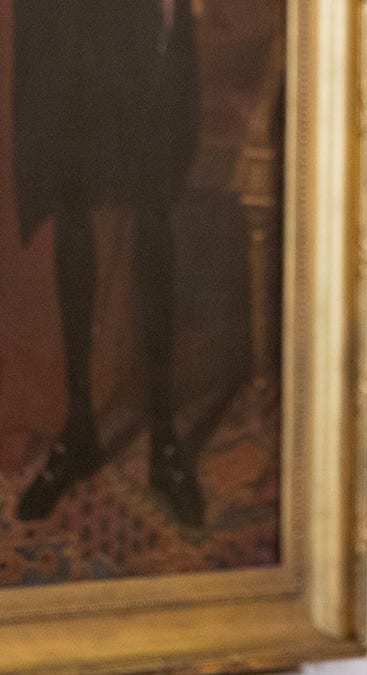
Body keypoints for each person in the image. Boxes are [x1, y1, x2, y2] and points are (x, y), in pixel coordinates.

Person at [12, 0, 204, 526]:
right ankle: (79, 431)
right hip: (60, 20)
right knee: (70, 200)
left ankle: (164, 440)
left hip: (136, 16)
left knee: (152, 204)